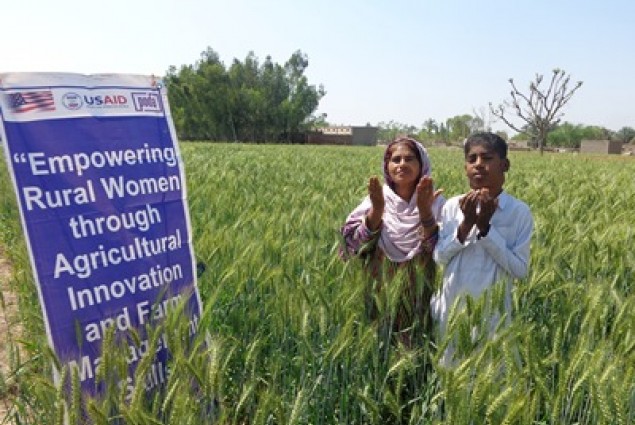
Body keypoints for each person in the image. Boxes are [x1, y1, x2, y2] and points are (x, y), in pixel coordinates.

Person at [431, 132, 533, 365]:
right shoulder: (451, 207)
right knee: (452, 380)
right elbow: (439, 258)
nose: (478, 165)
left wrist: (486, 230)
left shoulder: (518, 212)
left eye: (486, 158)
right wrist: (466, 225)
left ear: (504, 165)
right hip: (452, 313)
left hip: (493, 316)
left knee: (493, 380)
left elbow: (520, 270)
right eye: (471, 159)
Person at [340, 136, 444, 348]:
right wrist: (376, 212)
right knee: (381, 350)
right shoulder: (375, 200)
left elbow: (443, 252)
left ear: (422, 163)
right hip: (380, 296)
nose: (402, 164)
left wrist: (425, 213)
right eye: (396, 159)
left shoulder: (436, 202)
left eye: (409, 159)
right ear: (387, 166)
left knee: (419, 352)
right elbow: (349, 247)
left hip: (421, 297)